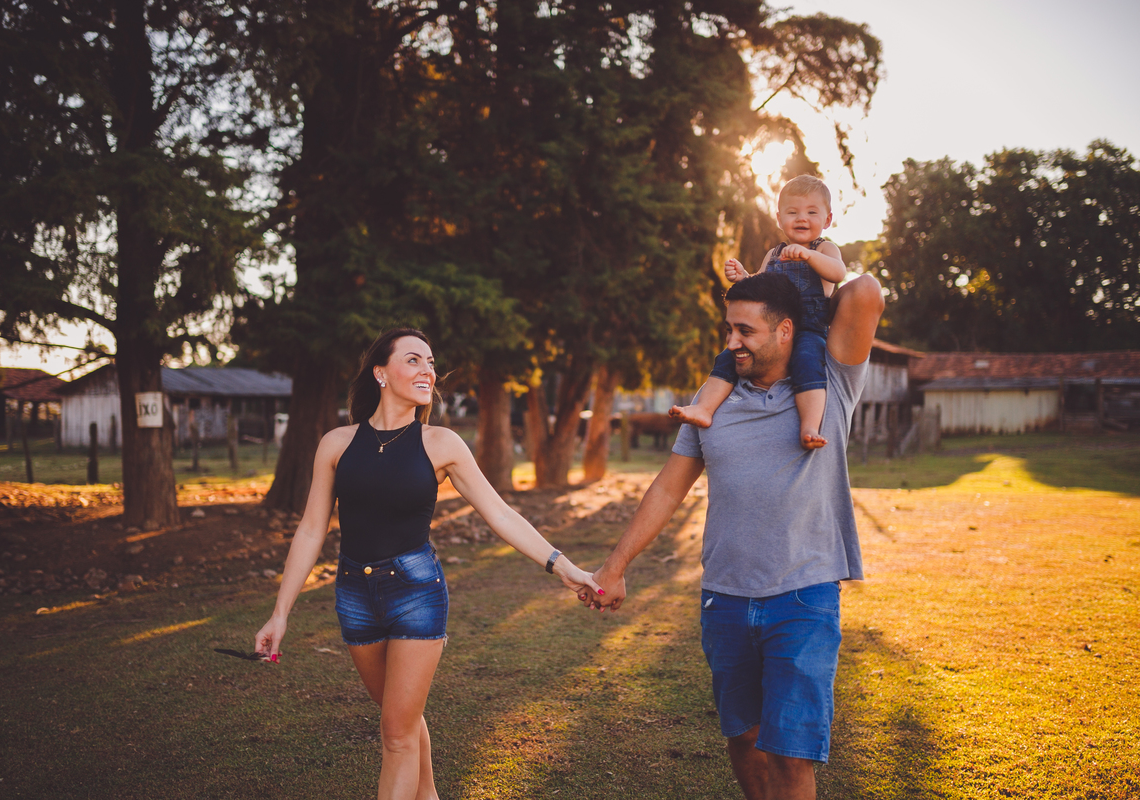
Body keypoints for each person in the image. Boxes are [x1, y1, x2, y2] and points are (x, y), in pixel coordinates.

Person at [254, 328, 602, 800]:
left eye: (431, 363)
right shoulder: (336, 444)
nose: (427, 371)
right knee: (403, 716)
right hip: (354, 594)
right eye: (414, 360)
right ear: (381, 372)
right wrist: (281, 612)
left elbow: (499, 512)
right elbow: (312, 529)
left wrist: (563, 566)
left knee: (395, 734)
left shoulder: (442, 444)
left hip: (416, 591)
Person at [589, 271, 884, 800]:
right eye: (728, 329)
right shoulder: (714, 398)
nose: (732, 343)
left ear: (786, 329)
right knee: (744, 739)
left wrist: (805, 257)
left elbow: (864, 293)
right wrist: (615, 565)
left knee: (792, 753)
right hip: (723, 598)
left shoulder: (829, 386)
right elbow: (666, 489)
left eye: (745, 331)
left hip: (803, 597)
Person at [670, 175, 847, 450]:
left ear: (826, 220)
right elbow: (760, 289)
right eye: (793, 212)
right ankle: (704, 409)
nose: (802, 218)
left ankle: (810, 426)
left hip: (807, 330)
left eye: (812, 212)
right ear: (779, 219)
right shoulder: (774, 254)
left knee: (808, 362)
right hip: (770, 330)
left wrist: (808, 256)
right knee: (728, 357)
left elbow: (839, 273)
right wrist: (744, 278)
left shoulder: (823, 249)